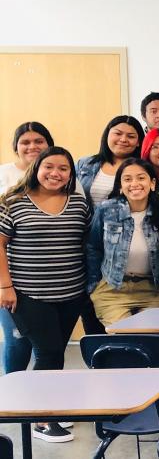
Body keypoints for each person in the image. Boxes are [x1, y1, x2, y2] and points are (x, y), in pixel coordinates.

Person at [0, 146, 90, 443]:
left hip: (71, 292)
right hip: (28, 295)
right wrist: (5, 286)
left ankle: (48, 406)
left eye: (63, 169)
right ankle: (41, 418)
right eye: (49, 167)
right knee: (48, 351)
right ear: (36, 168)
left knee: (55, 353)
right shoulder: (13, 203)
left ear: (71, 174)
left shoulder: (78, 202)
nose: (55, 173)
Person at [85, 158, 159, 327]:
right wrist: (93, 286)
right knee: (126, 338)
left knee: (153, 337)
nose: (134, 183)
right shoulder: (106, 209)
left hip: (152, 289)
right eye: (127, 179)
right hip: (113, 288)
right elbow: (93, 248)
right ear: (120, 185)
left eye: (141, 178)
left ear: (152, 183)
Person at [0, 122, 54, 376]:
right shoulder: (4, 175)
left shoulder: (57, 174)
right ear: (16, 147)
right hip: (9, 276)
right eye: (25, 142)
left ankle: (44, 409)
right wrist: (4, 284)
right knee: (17, 341)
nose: (32, 146)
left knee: (48, 347)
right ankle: (12, 405)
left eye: (39, 141)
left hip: (51, 280)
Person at [76, 116, 145, 206]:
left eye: (130, 136)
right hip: (86, 219)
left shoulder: (143, 169)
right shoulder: (85, 164)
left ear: (138, 142)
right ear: (107, 135)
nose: (123, 139)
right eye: (118, 134)